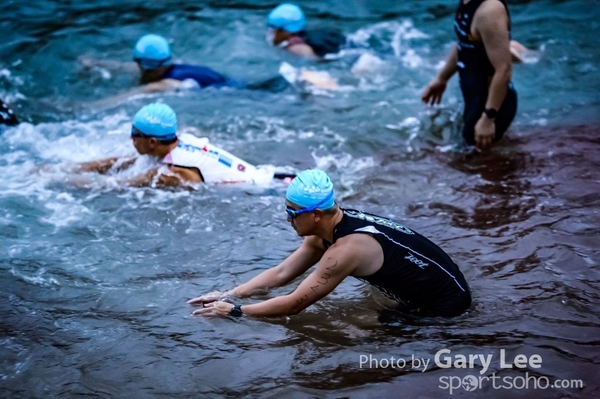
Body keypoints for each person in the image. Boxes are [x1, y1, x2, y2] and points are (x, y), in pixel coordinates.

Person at [189, 169, 472, 319]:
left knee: (351, 331)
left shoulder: (346, 250)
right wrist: (231, 294)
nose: (286, 218)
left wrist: (237, 312)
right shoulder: (328, 227)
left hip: (445, 311)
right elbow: (282, 273)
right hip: (438, 288)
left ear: (314, 215)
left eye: (291, 211)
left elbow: (294, 304)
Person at [76, 102, 294, 187]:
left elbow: (115, 186)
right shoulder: (183, 141)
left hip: (268, 194)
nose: (131, 139)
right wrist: (76, 167)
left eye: (135, 134)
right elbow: (124, 162)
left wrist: (64, 181)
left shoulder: (171, 173)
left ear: (152, 142)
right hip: (277, 176)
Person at [421, 0, 518, 150]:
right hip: (475, 99)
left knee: (480, 164)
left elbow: (504, 69)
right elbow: (463, 42)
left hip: (490, 105)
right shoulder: (468, 2)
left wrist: (488, 118)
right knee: (472, 158)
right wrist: (442, 78)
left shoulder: (490, 10)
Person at [80, 34, 237, 107]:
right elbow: (122, 67)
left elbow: (133, 94)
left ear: (143, 66)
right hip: (234, 83)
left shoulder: (168, 83)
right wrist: (95, 63)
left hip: (238, 93)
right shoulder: (171, 66)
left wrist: (88, 106)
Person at [266, 3, 346, 59]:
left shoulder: (297, 47)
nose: (270, 33)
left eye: (273, 29)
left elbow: (314, 62)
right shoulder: (305, 35)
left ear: (286, 31)